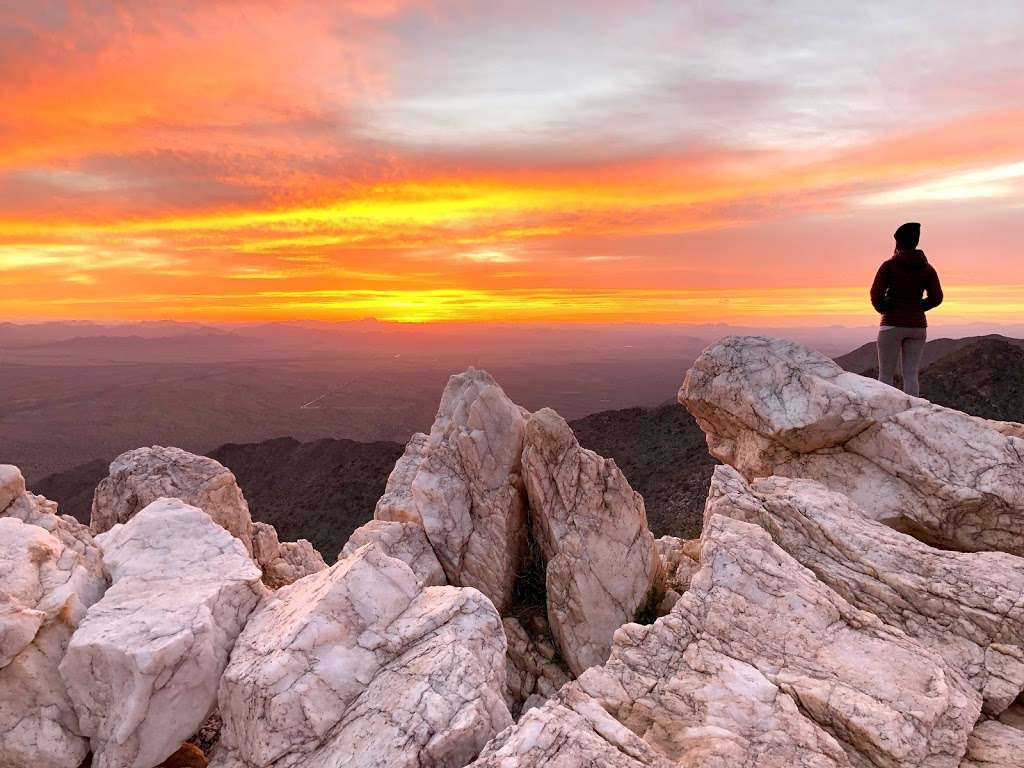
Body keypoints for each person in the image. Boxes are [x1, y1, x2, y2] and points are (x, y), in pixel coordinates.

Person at [870, 222, 943, 396]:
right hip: (917, 326)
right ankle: (913, 413)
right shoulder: (927, 268)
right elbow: (937, 297)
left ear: (899, 242)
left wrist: (885, 309)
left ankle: (885, 413)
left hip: (892, 324)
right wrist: (918, 307)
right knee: (911, 375)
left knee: (886, 375)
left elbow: (875, 294)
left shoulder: (889, 266)